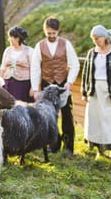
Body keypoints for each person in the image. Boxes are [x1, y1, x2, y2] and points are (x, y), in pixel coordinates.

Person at [30, 16, 80, 157]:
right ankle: (54, 144)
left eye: (54, 33)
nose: (51, 36)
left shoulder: (66, 44)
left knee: (67, 115)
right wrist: (35, 88)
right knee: (49, 116)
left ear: (58, 31)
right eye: (49, 33)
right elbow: (35, 68)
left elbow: (75, 64)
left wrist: (69, 81)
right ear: (45, 31)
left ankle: (69, 147)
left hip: (63, 84)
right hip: (47, 84)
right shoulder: (39, 46)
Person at [81, 25, 111, 161]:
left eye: (97, 38)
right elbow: (85, 73)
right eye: (93, 39)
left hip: (110, 92)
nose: (95, 41)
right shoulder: (91, 52)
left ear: (105, 37)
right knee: (95, 120)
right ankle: (99, 151)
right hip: (94, 90)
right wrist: (84, 91)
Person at [0, 26, 34, 102]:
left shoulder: (29, 51)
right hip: (8, 84)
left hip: (23, 85)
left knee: (22, 108)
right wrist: (0, 83)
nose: (8, 39)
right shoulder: (7, 50)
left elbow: (34, 70)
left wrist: (33, 87)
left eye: (10, 37)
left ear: (17, 38)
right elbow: (2, 68)